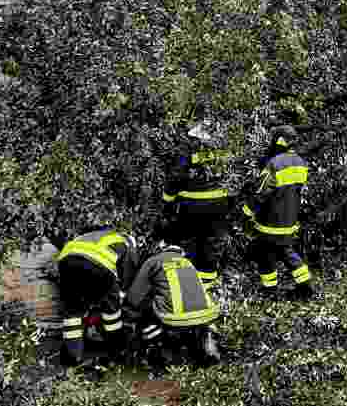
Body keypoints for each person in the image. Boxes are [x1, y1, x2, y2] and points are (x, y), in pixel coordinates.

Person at [241, 125, 314, 300]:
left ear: (279, 141)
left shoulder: (275, 163)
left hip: (270, 222)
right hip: (289, 221)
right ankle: (305, 287)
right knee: (287, 252)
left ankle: (270, 292)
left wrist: (247, 211)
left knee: (265, 255)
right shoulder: (301, 163)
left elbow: (262, 192)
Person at [124, 241, 221, 371]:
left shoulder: (153, 261)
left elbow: (134, 297)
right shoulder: (188, 263)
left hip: (174, 319)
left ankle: (156, 352)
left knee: (143, 309)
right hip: (206, 316)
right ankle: (201, 348)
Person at [54, 227, 140, 367]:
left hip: (66, 263)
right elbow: (126, 278)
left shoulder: (98, 235)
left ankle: (72, 357)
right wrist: (122, 296)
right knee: (111, 311)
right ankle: (116, 349)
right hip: (98, 266)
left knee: (72, 313)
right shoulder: (127, 243)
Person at [162, 124, 231, 292]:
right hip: (219, 205)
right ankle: (207, 286)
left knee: (189, 242)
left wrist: (168, 203)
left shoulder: (188, 149)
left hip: (193, 205)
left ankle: (184, 283)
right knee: (211, 243)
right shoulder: (223, 148)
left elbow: (175, 176)